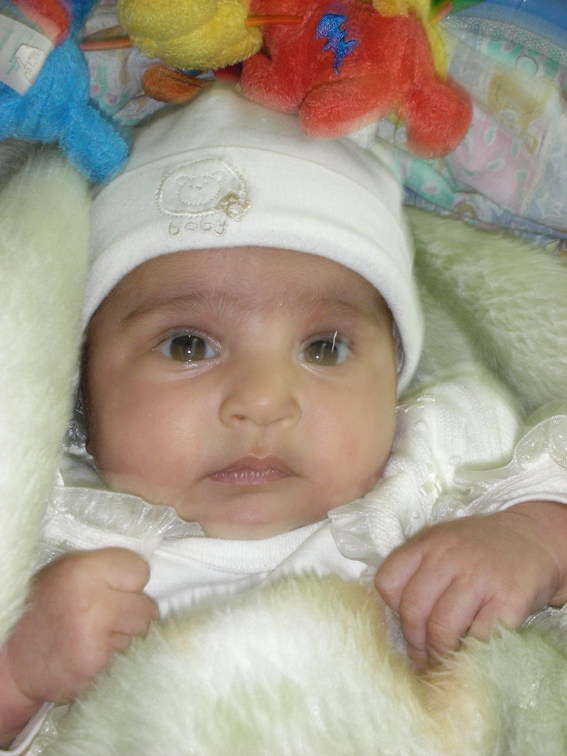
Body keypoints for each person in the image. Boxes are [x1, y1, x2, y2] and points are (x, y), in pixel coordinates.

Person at [1, 84, 566, 751]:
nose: (264, 401)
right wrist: (20, 673)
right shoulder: (50, 536)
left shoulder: (435, 471)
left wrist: (531, 538)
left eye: (324, 349)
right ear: (82, 386)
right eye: (188, 345)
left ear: (392, 380)